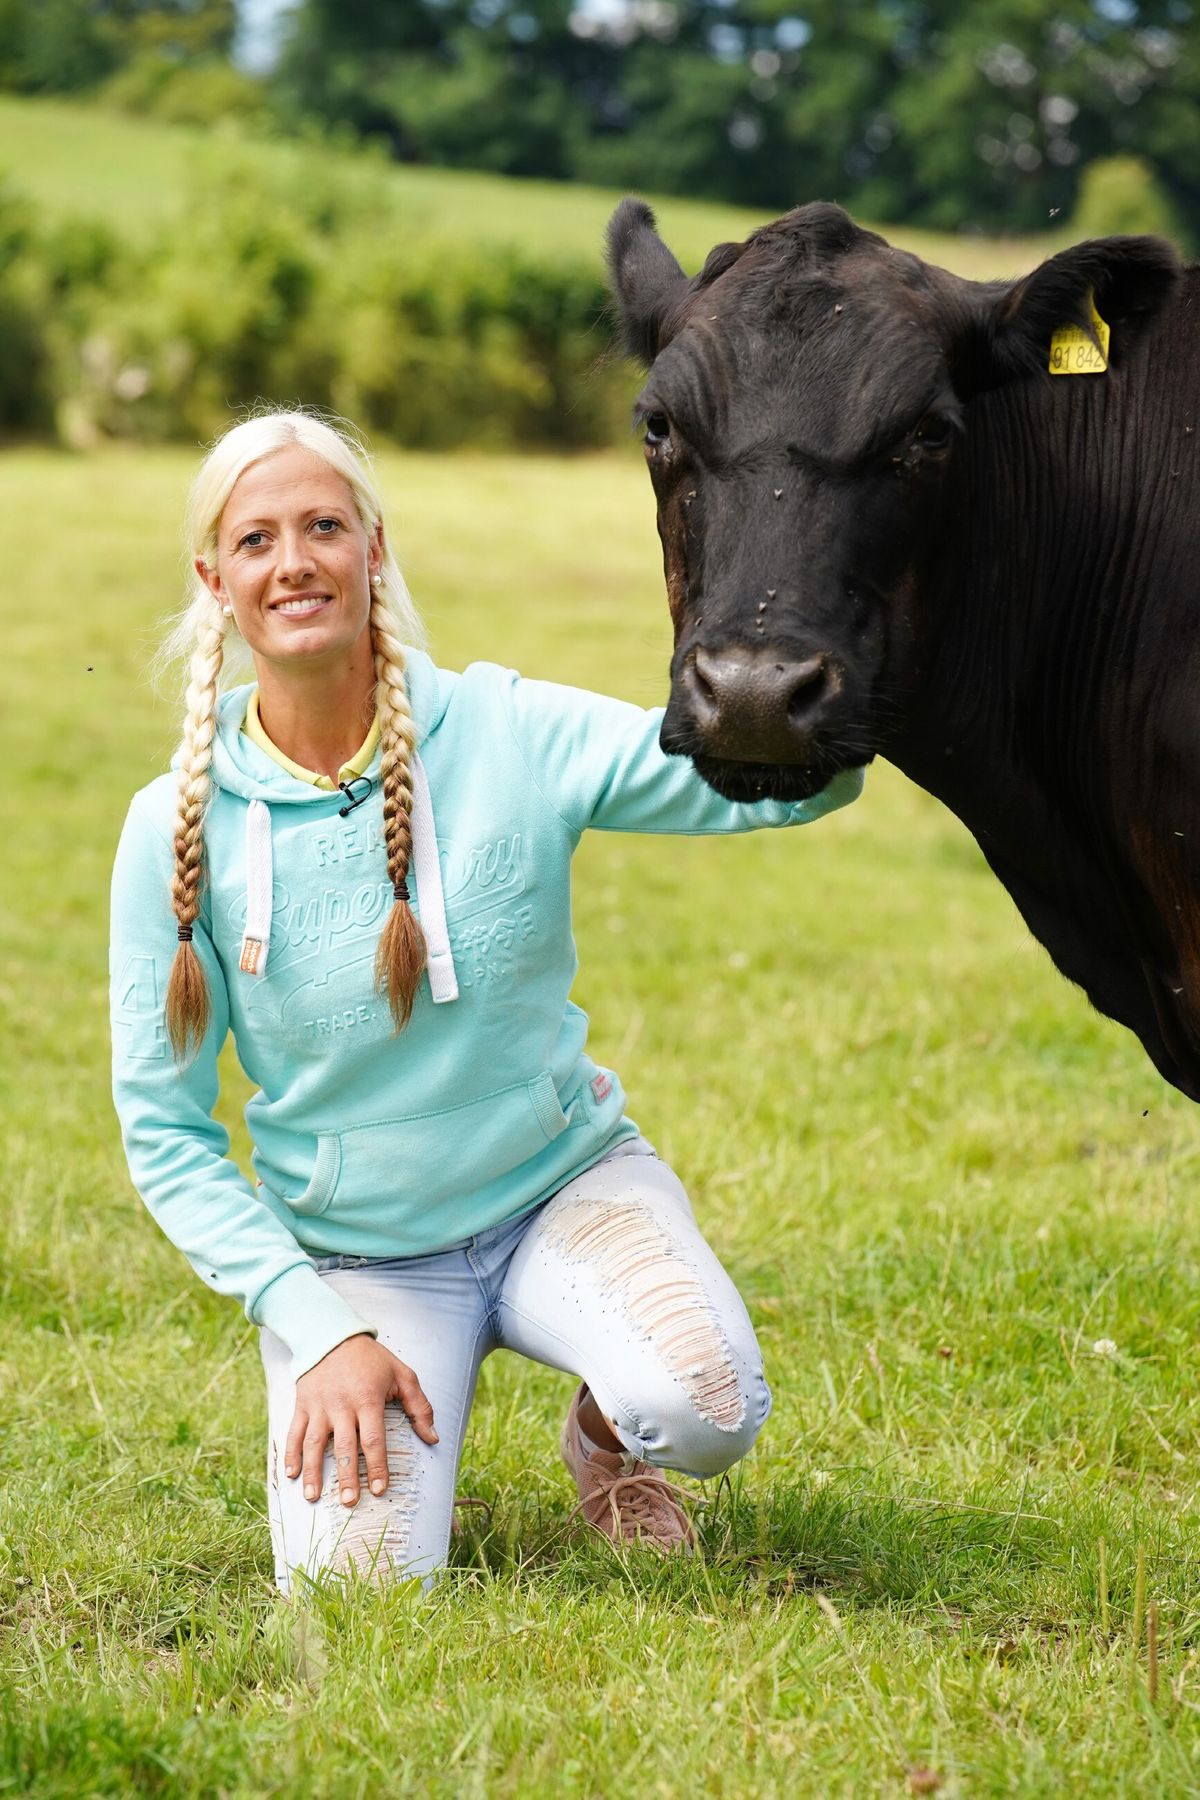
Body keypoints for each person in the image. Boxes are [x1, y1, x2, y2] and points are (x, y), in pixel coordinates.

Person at [109, 410, 863, 1591]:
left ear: (374, 551)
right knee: (355, 1593)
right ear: (216, 579)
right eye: (257, 540)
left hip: (558, 1188)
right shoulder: (175, 829)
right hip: (361, 1260)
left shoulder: (510, 730)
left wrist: (862, 685)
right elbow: (165, 1133)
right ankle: (399, 1385)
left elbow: (759, 789)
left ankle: (611, 1442)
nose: (294, 560)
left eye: (323, 526)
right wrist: (318, 1328)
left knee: (704, 1403)